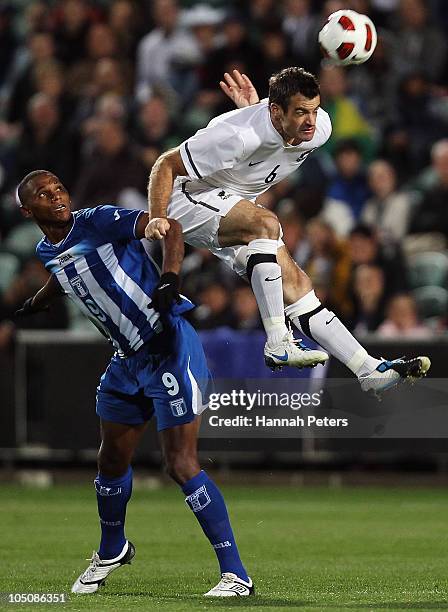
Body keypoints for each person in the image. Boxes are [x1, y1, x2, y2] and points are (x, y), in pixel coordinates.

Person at [15, 169, 254, 598]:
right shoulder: (46, 248)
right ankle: (112, 548)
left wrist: (170, 276)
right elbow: (64, 271)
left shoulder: (99, 220)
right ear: (26, 209)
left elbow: (171, 227)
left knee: (180, 464)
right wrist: (34, 302)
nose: (56, 196)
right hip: (127, 360)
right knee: (110, 462)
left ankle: (236, 574)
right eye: (44, 193)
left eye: (59, 188)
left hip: (167, 347)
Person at [144, 67, 430, 396]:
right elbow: (165, 164)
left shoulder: (320, 128)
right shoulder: (236, 135)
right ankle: (278, 342)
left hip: (232, 204)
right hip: (186, 198)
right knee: (267, 223)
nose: (311, 120)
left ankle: (367, 368)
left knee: (297, 286)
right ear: (277, 112)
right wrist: (157, 216)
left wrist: (254, 110)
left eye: (314, 109)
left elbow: (273, 135)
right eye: (300, 112)